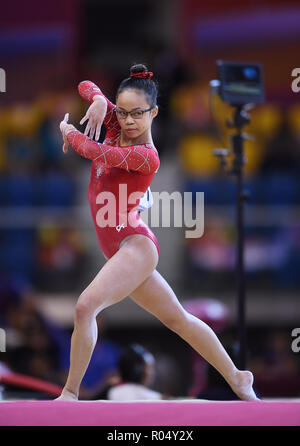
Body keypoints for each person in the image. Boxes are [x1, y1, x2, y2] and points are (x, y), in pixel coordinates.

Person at [56, 63, 259, 402]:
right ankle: (238, 377)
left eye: (137, 114)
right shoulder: (113, 124)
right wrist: (96, 100)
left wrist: (67, 130)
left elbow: (93, 151)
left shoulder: (146, 156)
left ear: (154, 112)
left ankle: (69, 394)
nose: (128, 121)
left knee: (85, 307)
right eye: (122, 112)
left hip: (134, 247)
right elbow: (84, 83)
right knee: (178, 319)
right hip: (121, 249)